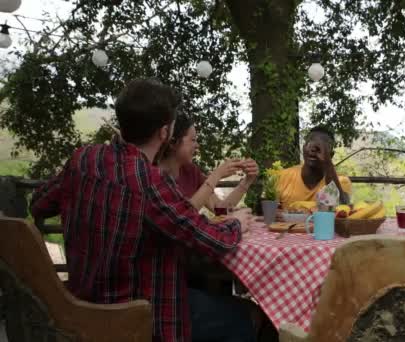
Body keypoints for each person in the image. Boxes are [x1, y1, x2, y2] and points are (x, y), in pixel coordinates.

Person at [30, 78, 256, 342]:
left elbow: (38, 205)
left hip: (79, 311)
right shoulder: (150, 181)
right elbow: (212, 239)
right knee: (251, 316)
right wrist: (237, 223)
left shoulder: (83, 158)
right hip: (143, 321)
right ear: (164, 133)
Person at [157, 113, 258, 212]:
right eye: (193, 140)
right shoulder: (154, 176)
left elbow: (220, 209)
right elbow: (181, 216)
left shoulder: (191, 172)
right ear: (173, 142)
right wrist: (217, 174)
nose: (197, 145)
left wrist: (247, 181)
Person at [276, 126, 352, 207]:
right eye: (310, 143)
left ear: (331, 155)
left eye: (321, 147)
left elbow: (343, 206)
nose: (313, 149)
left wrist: (327, 162)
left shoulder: (341, 181)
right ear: (303, 148)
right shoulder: (282, 177)